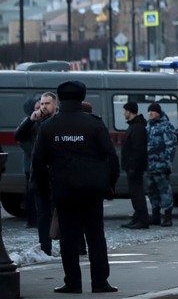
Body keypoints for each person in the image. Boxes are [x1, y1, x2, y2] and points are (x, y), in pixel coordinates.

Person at [32, 81, 120, 293]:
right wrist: (109, 185)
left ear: (60, 99)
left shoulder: (49, 125)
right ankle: (100, 282)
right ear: (82, 97)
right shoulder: (94, 123)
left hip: (63, 189)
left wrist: (45, 189)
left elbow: (38, 161)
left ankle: (72, 282)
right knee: (96, 236)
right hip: (91, 189)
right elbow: (111, 156)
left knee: (69, 238)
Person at [15, 92, 57, 256]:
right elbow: (19, 135)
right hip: (40, 175)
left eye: (47, 104)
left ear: (55, 105)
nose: (43, 107)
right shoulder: (35, 122)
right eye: (41, 104)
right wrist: (30, 120)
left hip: (58, 174)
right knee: (43, 214)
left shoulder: (58, 121)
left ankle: (75, 245)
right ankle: (45, 247)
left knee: (65, 212)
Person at [145, 102, 178, 227]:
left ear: (158, 112)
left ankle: (167, 217)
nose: (150, 113)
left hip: (161, 165)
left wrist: (166, 161)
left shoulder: (166, 126)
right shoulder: (148, 126)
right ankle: (155, 216)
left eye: (152, 111)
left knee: (164, 191)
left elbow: (171, 146)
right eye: (149, 111)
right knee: (152, 191)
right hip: (150, 165)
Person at [121, 101, 149, 229]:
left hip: (135, 167)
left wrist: (133, 166)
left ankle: (142, 220)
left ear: (129, 111)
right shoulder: (134, 125)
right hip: (132, 166)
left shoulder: (137, 127)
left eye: (125, 110)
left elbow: (138, 149)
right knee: (134, 193)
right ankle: (137, 218)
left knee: (137, 193)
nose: (123, 113)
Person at [18, 98, 39, 229]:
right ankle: (31, 219)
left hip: (35, 162)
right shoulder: (28, 121)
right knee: (31, 193)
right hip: (30, 164)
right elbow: (22, 141)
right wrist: (36, 154)